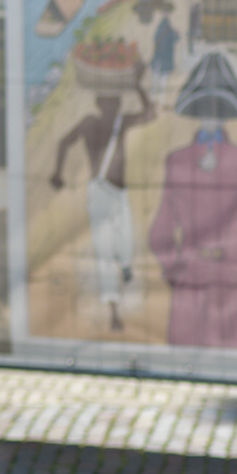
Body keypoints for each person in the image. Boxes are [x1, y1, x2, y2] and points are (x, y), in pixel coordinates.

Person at [49, 73, 155, 333]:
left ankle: (126, 266)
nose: (113, 107)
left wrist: (138, 86)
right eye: (109, 102)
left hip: (119, 193)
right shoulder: (90, 123)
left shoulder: (121, 122)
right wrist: (57, 173)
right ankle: (114, 311)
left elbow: (150, 114)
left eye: (115, 102)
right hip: (99, 191)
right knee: (104, 251)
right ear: (101, 105)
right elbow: (63, 142)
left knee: (125, 240)